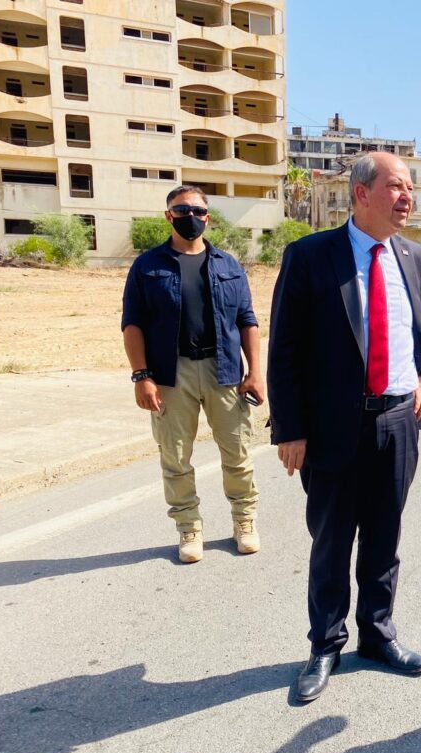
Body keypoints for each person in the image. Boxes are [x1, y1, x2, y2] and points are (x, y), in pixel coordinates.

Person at [267, 152, 421, 703]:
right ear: (362, 193)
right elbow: (284, 348)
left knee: (385, 537)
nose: (406, 197)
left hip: (399, 421)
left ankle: (378, 635)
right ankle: (325, 645)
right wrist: (289, 429)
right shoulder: (310, 256)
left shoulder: (413, 256)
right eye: (396, 186)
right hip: (331, 428)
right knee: (332, 541)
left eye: (410, 187)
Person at [121, 185, 263, 564]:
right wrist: (141, 376)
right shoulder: (147, 267)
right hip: (171, 374)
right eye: (182, 210)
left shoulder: (228, 265)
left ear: (208, 217)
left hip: (224, 370)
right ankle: (189, 527)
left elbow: (247, 320)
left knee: (237, 451)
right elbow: (132, 324)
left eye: (198, 211)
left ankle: (244, 520)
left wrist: (255, 372)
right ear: (169, 216)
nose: (191, 217)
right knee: (176, 457)